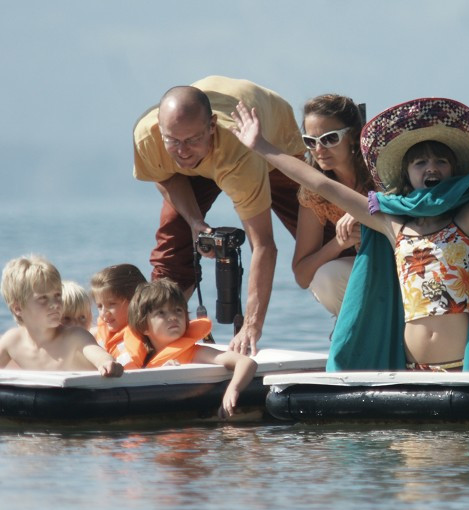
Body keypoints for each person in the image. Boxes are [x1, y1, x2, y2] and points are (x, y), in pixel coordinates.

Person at [230, 65, 469, 371]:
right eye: (421, 163)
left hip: (460, 368)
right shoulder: (391, 223)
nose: (431, 168)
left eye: (440, 161)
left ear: (453, 171)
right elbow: (317, 182)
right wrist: (260, 146)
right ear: (407, 175)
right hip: (410, 367)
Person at [133, 75, 306, 355]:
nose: (182, 150)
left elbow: (263, 245)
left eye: (191, 139)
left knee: (321, 231)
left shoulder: (239, 154)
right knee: (173, 242)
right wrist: (194, 222)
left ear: (211, 126)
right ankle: (157, 336)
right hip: (212, 152)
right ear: (159, 129)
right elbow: (165, 175)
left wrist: (251, 326)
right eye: (172, 140)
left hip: (270, 144)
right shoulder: (147, 135)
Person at [121, 279, 257, 418]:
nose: (173, 317)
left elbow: (246, 362)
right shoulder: (140, 359)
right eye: (161, 313)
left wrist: (233, 389)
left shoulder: (196, 352)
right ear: (143, 326)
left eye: (178, 310)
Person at [292, 94, 374, 316]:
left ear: (353, 136)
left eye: (329, 139)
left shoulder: (381, 173)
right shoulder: (314, 192)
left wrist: (366, 209)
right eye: (310, 141)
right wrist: (338, 243)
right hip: (371, 271)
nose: (319, 149)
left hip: (410, 266)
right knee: (326, 277)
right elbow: (302, 275)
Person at [0, 255, 123, 376]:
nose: (55, 304)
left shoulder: (75, 337)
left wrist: (107, 362)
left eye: (57, 295)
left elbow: (97, 353)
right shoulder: (12, 342)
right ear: (18, 308)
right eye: (43, 298)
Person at [90, 264, 147, 357]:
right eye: (99, 306)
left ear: (135, 302)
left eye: (112, 304)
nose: (104, 313)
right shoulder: (99, 330)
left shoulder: (135, 340)